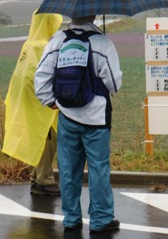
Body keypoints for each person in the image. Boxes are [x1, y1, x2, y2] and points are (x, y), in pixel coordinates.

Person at [34, 15, 122, 233]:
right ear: (93, 15)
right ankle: (101, 219)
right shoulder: (102, 43)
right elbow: (114, 82)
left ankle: (71, 218)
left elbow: (41, 77)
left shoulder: (57, 41)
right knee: (98, 168)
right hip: (97, 119)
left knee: (68, 169)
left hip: (67, 117)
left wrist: (51, 102)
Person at [2, 10, 62, 196]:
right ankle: (45, 180)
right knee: (46, 139)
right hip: (41, 104)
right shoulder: (43, 46)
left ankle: (36, 178)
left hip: (27, 101)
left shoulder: (29, 44)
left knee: (36, 138)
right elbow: (41, 76)